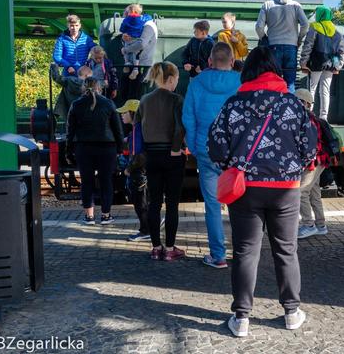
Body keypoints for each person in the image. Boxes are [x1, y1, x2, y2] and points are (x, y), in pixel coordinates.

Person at [207, 46, 317, 337]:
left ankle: (241, 318)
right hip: (285, 189)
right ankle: (291, 313)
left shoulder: (233, 104)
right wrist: (296, 168)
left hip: (245, 189)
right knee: (286, 250)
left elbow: (216, 144)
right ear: (275, 71)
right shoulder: (292, 104)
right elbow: (310, 146)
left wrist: (229, 166)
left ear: (248, 71)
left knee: (245, 251)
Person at [182, 42, 241, 269]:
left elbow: (189, 119)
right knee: (238, 204)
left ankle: (218, 256)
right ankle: (242, 251)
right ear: (233, 61)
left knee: (212, 206)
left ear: (209, 61)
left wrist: (197, 148)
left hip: (207, 152)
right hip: (234, 154)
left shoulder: (196, 83)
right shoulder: (240, 82)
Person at [136, 61, 186, 261]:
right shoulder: (176, 99)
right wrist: (176, 148)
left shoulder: (145, 99)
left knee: (154, 202)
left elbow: (139, 126)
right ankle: (171, 248)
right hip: (172, 156)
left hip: (152, 156)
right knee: (172, 204)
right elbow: (180, 127)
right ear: (172, 79)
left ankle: (156, 248)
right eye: (177, 80)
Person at [66, 77, 124, 225]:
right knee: (106, 181)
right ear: (99, 87)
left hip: (84, 148)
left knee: (86, 182)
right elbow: (117, 129)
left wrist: (68, 150)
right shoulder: (108, 103)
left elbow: (70, 131)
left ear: (83, 88)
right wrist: (120, 148)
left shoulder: (76, 105)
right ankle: (106, 215)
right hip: (107, 147)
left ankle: (89, 216)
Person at [294, 89, 340, 239]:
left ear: (306, 103)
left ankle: (308, 224)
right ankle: (321, 225)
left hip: (314, 161)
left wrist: (304, 162)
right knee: (314, 192)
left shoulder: (307, 120)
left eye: (298, 101)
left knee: (301, 191)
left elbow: (310, 146)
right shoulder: (312, 118)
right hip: (321, 160)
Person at [255, 0, 309, 93]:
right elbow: (305, 24)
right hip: (291, 47)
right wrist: (299, 39)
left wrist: (265, 39)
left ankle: (273, 107)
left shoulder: (267, 5)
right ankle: (290, 107)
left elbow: (259, 27)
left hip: (273, 46)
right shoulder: (296, 5)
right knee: (290, 82)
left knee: (273, 80)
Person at [298, 6, 344, 121]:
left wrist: (303, 63)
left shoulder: (314, 27)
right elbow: (342, 52)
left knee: (312, 89)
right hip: (330, 65)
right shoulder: (337, 32)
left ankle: (309, 113)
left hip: (316, 63)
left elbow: (307, 46)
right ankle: (324, 117)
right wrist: (338, 66)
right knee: (325, 90)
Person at [116, 99, 150, 242]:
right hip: (143, 171)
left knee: (140, 203)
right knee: (144, 201)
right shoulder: (140, 127)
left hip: (138, 172)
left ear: (132, 113)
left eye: (124, 112)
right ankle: (148, 227)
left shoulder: (137, 129)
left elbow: (139, 154)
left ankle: (145, 231)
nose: (122, 115)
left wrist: (128, 169)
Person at [120, 4, 158, 100]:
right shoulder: (139, 24)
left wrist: (125, 50)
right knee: (128, 94)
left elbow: (141, 44)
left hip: (141, 65)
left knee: (136, 95)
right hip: (133, 64)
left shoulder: (149, 25)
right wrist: (125, 38)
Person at [120, 4, 153, 81]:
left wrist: (124, 32)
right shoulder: (142, 19)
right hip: (136, 39)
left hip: (128, 39)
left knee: (126, 50)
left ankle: (127, 63)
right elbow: (148, 18)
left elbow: (122, 28)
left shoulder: (126, 20)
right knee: (136, 52)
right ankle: (135, 68)